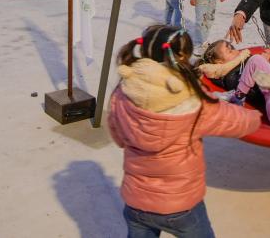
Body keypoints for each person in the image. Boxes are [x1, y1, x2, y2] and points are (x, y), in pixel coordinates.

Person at [108, 25, 260, 238]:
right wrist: (256, 117)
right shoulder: (190, 99)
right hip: (180, 206)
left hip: (136, 203)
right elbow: (234, 121)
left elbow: (118, 137)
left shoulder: (123, 92)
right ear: (181, 57)